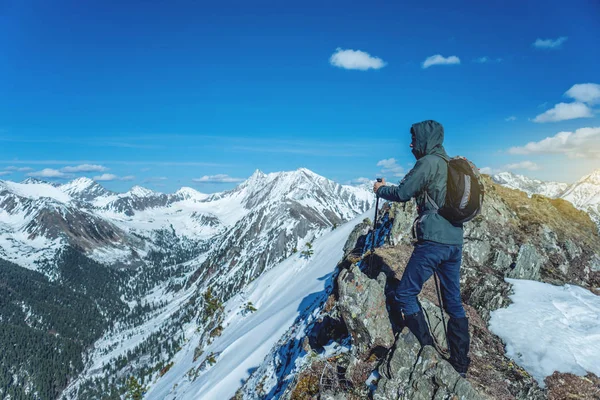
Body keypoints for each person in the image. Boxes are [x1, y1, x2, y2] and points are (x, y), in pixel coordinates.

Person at [372, 120, 470, 377]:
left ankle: (427, 349)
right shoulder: (450, 164)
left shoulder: (428, 163)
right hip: (455, 242)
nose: (411, 144)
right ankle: (460, 364)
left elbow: (404, 192)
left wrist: (381, 189)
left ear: (425, 140)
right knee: (453, 303)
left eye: (414, 139)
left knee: (405, 294)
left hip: (433, 242)